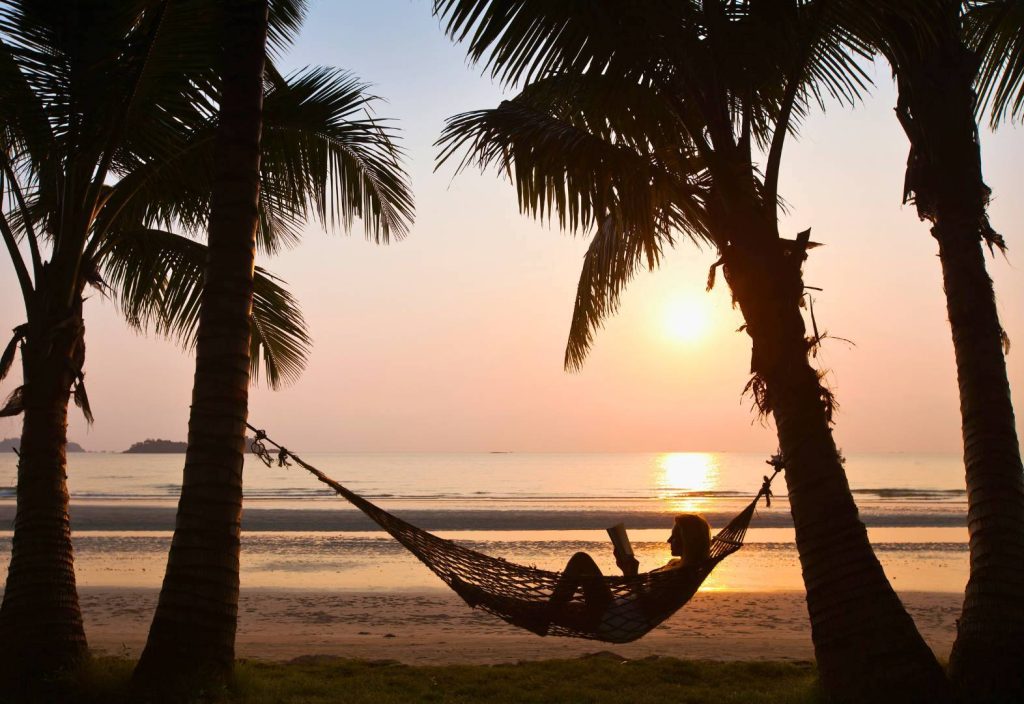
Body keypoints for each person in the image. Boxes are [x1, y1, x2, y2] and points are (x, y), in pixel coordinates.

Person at [547, 514, 711, 625]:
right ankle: (547, 614)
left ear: (689, 542)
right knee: (539, 607)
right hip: (617, 610)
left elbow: (649, 609)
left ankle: (546, 617)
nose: (668, 540)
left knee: (581, 560)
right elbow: (641, 594)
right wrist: (627, 569)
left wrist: (632, 575)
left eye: (675, 537)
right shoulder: (676, 565)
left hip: (615, 619)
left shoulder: (682, 577)